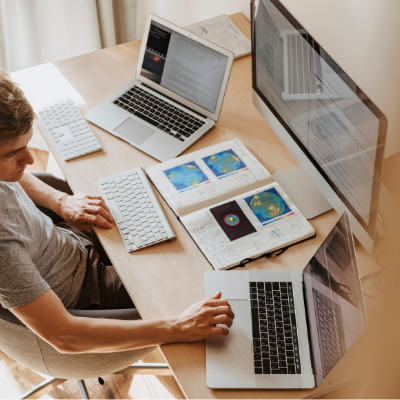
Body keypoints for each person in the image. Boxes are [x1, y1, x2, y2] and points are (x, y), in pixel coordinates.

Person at [0, 70, 234, 354]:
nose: (30, 160)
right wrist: (178, 327)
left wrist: (60, 201)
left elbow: (13, 174)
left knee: (173, 219)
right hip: (89, 297)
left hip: (69, 244)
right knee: (213, 288)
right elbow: (65, 336)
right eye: (14, 153)